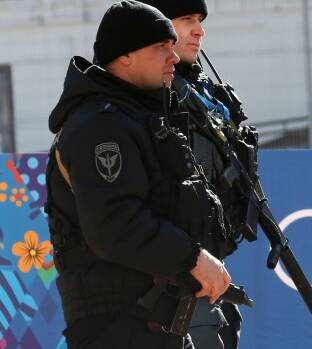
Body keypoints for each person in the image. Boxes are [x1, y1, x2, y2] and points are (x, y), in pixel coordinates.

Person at [45, 1, 231, 348]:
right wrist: (192, 257)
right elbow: (116, 225)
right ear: (124, 56)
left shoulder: (134, 118)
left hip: (154, 320)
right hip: (118, 325)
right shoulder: (100, 126)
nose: (173, 56)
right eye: (161, 47)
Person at [138, 1, 256, 348]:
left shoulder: (202, 94)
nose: (199, 30)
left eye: (200, 20)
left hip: (206, 267)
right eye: (186, 19)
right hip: (169, 274)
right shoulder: (148, 97)